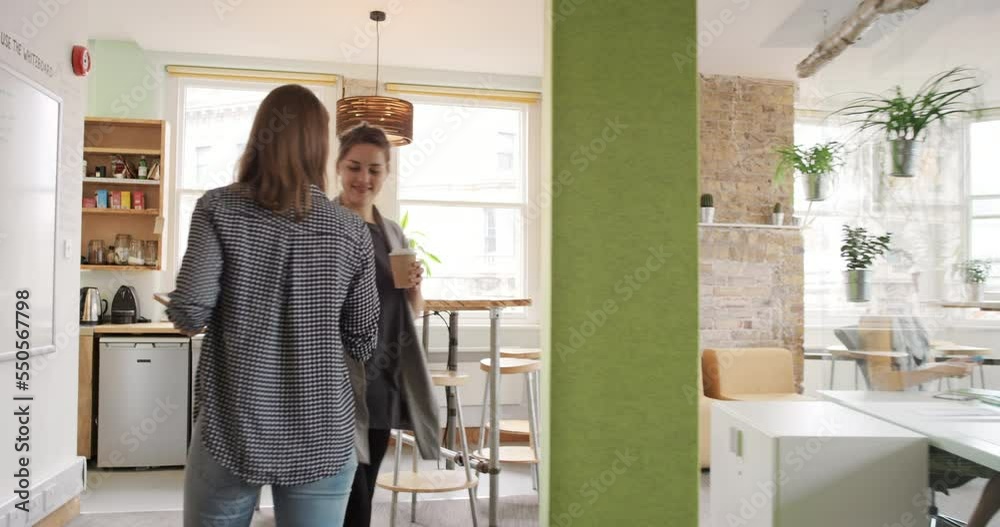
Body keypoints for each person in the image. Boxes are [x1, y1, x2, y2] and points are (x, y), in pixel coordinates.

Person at [167, 84, 379, 527]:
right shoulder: (352, 231)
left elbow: (190, 310)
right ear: (322, 148)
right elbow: (362, 340)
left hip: (232, 422)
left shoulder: (218, 208)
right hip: (322, 427)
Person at [334, 123, 441, 526]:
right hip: (339, 374)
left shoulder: (392, 230)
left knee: (367, 478)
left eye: (374, 169)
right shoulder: (324, 224)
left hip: (382, 375)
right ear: (338, 167)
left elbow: (409, 310)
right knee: (347, 485)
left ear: (387, 173)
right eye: (354, 167)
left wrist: (415, 286)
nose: (363, 179)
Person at [835, 316, 997, 526]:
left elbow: (916, 370)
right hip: (902, 432)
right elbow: (882, 381)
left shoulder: (912, 320)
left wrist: (948, 366)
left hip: (925, 418)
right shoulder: (879, 321)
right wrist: (941, 370)